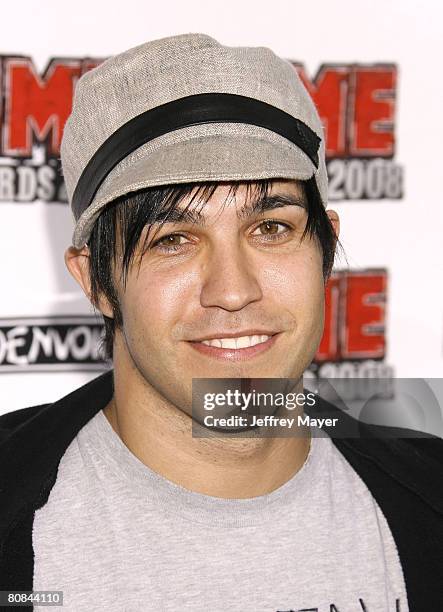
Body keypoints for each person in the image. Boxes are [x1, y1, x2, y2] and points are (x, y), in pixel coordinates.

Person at [0, 33, 441, 612]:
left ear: (326, 249)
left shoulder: (430, 493)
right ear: (95, 281)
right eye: (174, 240)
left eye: (272, 229)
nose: (233, 291)